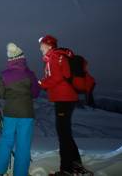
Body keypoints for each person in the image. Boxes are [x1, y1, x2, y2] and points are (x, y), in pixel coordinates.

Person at [37, 35, 86, 175]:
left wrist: (40, 83)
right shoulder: (57, 57)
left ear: (48, 45)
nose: (40, 48)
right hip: (66, 98)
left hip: (64, 98)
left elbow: (56, 77)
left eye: (41, 45)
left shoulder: (54, 57)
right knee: (66, 133)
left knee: (63, 134)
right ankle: (76, 165)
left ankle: (66, 170)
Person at [0, 43, 39, 176]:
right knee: (23, 144)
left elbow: (0, 94)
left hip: (10, 112)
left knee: (6, 140)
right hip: (26, 113)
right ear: (22, 58)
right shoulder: (30, 74)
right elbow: (35, 93)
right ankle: (20, 173)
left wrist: (11, 96)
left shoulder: (4, 75)